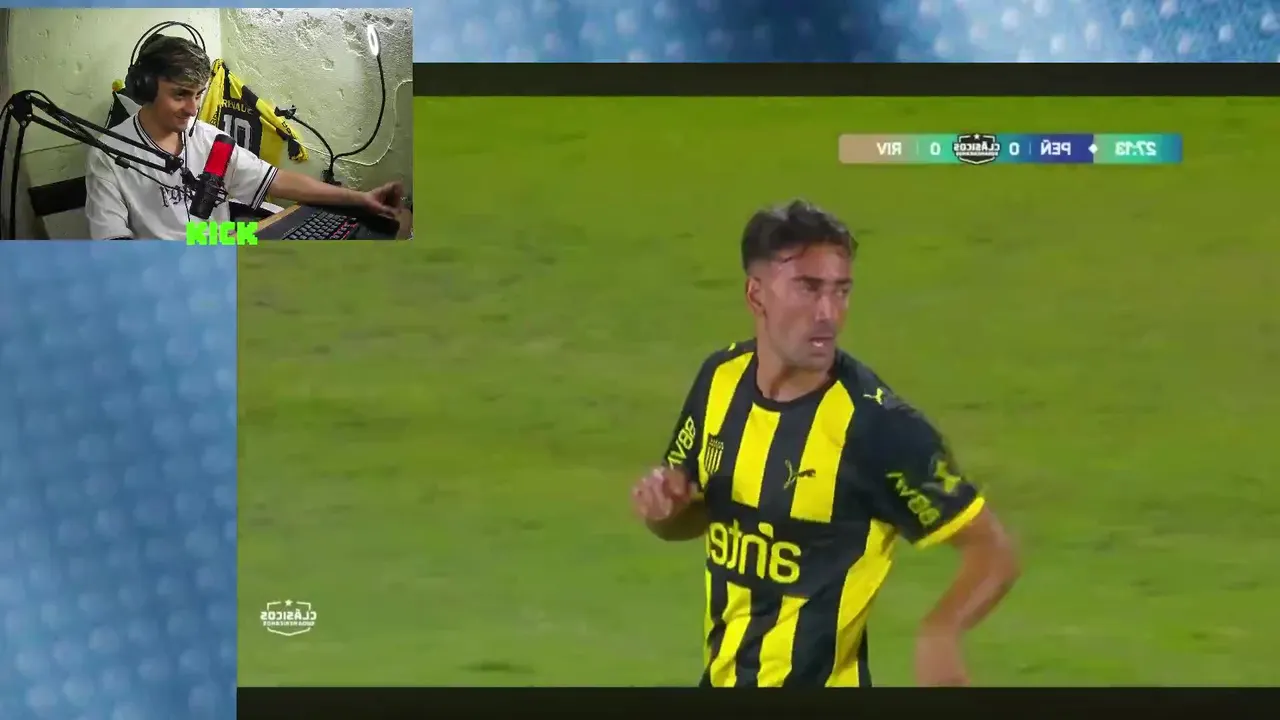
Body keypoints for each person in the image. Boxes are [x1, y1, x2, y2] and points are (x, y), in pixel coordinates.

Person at [631, 199, 1020, 687]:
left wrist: (940, 632)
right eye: (808, 288)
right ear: (756, 294)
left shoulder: (878, 427)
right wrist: (666, 513)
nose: (828, 314)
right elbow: (696, 517)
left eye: (841, 291)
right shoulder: (719, 381)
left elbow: (992, 549)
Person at [85, 35, 402, 241]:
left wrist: (361, 199)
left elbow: (278, 181)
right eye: (180, 95)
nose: (193, 109)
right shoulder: (108, 155)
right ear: (145, 88)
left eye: (199, 94)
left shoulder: (212, 142)